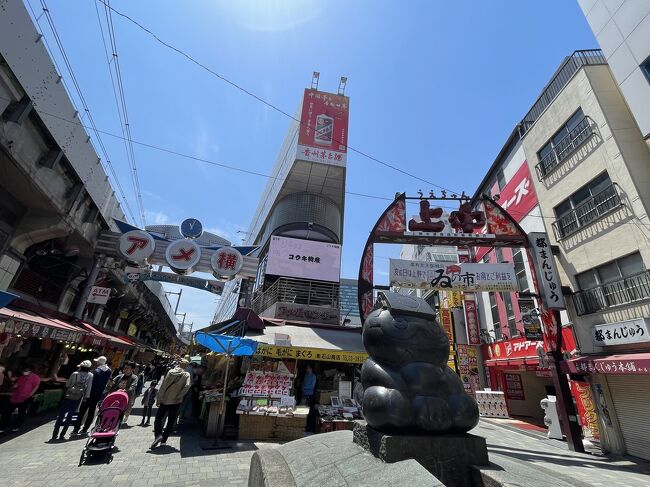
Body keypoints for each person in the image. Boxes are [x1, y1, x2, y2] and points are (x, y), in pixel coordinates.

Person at [151, 359, 190, 449]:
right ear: (186, 366)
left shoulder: (170, 372)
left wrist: (158, 399)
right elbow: (187, 386)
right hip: (176, 401)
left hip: (165, 400)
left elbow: (163, 386)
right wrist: (180, 395)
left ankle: (158, 435)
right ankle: (164, 440)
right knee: (170, 421)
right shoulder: (186, 374)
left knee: (158, 419)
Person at [52, 360, 93, 440]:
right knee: (70, 415)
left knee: (61, 415)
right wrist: (86, 397)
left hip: (68, 396)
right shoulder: (90, 375)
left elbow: (67, 384)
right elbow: (89, 387)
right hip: (78, 397)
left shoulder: (75, 374)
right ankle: (62, 435)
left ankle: (54, 434)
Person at [73, 356, 112, 435]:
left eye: (97, 362)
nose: (96, 363)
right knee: (91, 411)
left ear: (99, 363)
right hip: (99, 394)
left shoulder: (96, 371)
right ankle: (85, 429)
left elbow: (91, 384)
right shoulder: (109, 371)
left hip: (89, 393)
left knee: (82, 411)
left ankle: (76, 429)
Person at [0, 364, 40, 433]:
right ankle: (2, 426)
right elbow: (16, 386)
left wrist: (30, 395)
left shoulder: (36, 378)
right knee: (7, 412)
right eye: (23, 371)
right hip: (16, 397)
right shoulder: (21, 377)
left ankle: (16, 426)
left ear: (30, 370)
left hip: (25, 398)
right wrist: (13, 384)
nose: (24, 372)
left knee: (21, 413)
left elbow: (35, 387)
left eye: (26, 370)